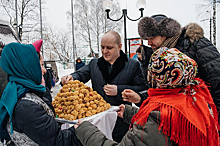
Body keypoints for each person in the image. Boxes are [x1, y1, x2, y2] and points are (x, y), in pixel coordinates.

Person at [73, 47, 219, 146]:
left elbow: (155, 126)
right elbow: (159, 132)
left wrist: (87, 131)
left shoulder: (164, 113)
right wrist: (133, 114)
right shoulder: (195, 95)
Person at [61, 30, 147, 142]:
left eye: (109, 48)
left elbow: (142, 89)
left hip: (120, 121)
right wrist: (72, 77)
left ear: (119, 46)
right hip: (98, 121)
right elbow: (81, 74)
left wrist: (119, 90)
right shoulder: (94, 63)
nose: (104, 51)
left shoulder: (133, 64)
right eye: (102, 47)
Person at [123, 14, 220, 111]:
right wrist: (140, 97)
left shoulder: (194, 43)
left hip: (202, 113)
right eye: (147, 39)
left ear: (164, 34)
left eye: (151, 37)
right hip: (179, 113)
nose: (149, 43)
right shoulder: (161, 54)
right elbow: (163, 90)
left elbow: (217, 77)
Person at [0, 40, 82, 145]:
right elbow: (57, 141)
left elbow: (42, 131)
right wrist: (81, 130)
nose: (44, 71)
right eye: (41, 65)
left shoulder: (20, 92)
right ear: (28, 67)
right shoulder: (25, 106)